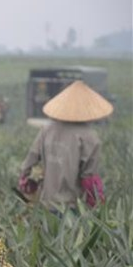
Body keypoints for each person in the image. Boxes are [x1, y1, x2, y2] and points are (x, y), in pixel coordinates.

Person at [18, 80, 112, 211]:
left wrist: (26, 181)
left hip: (46, 203)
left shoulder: (46, 130)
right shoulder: (90, 137)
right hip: (73, 206)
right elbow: (89, 178)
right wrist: (96, 205)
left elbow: (29, 161)